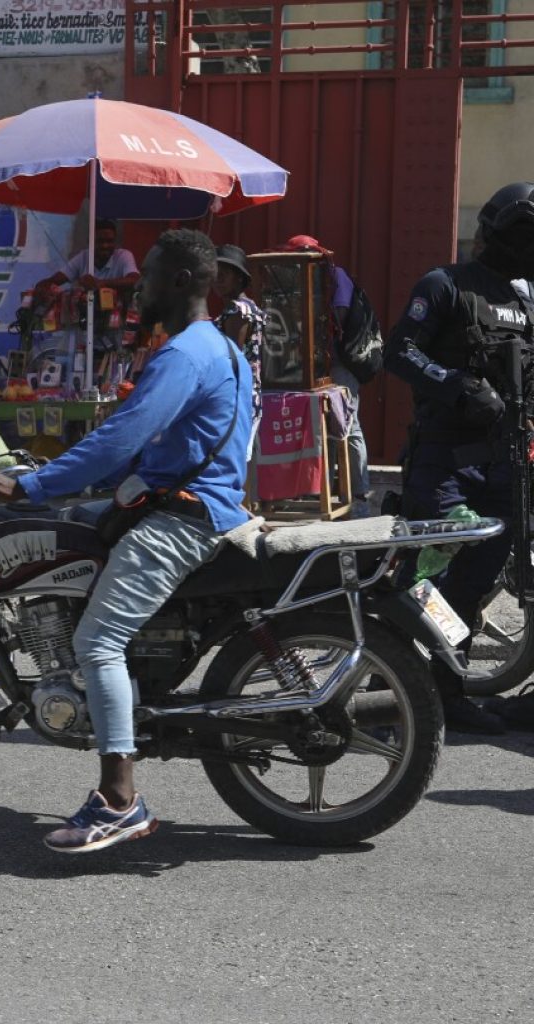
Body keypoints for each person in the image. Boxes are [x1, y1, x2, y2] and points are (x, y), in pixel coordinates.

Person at [0, 228, 252, 853]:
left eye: (147, 274)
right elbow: (157, 446)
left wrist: (32, 486)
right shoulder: (223, 349)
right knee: (71, 530)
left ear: (178, 282)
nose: (136, 285)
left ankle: (119, 799)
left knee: (98, 640)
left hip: (183, 518)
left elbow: (122, 436)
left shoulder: (184, 356)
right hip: (195, 503)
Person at [384, 182, 534, 735]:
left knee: (471, 587)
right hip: (444, 462)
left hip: (504, 465)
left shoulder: (525, 299)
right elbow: (398, 352)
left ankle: (446, 692)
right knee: (428, 572)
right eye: (522, 233)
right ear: (494, 231)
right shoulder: (444, 284)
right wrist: (456, 385)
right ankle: (385, 684)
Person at [283, 235, 372, 517]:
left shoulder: (336, 276)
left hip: (340, 363)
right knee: (327, 424)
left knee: (348, 423)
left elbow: (341, 314)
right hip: (320, 363)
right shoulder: (305, 280)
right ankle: (332, 487)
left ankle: (359, 491)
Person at [213, 243, 264, 458]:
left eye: (225, 274)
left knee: (231, 459)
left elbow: (232, 355)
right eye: (216, 273)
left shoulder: (238, 309)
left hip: (236, 397)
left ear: (240, 279)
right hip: (245, 393)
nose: (218, 279)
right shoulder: (246, 306)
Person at [35, 219, 140, 297]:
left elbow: (135, 280)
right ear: (90, 242)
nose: (105, 246)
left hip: (117, 320)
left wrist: (101, 283)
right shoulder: (83, 257)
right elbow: (55, 280)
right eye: (100, 241)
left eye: (109, 241)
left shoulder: (124, 256)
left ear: (115, 242)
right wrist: (44, 285)